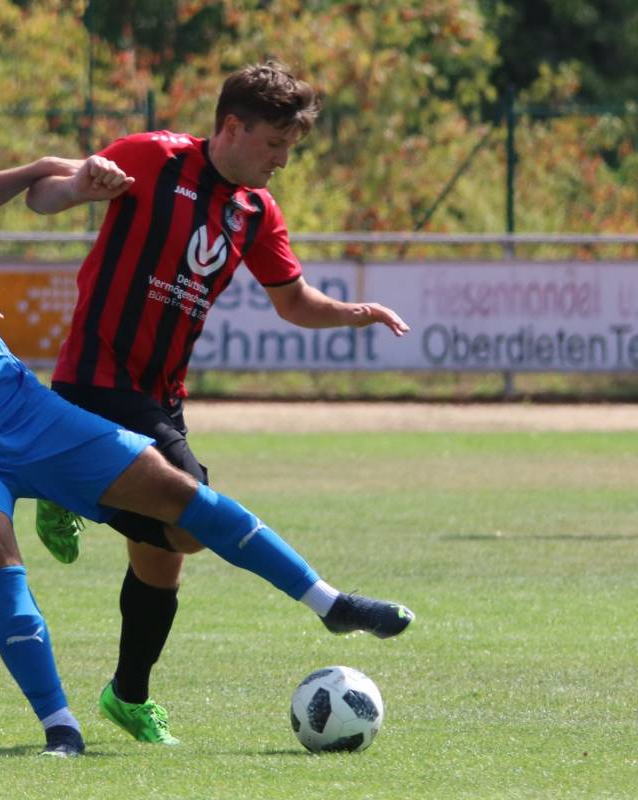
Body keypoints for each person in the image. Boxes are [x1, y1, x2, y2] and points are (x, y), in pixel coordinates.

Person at [0, 113, 412, 758]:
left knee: (182, 504)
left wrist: (41, 168)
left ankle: (330, 603)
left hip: (24, 410)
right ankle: (61, 727)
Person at [30, 60, 414, 746]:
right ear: (232, 127)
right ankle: (69, 484)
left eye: (289, 149)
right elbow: (46, 199)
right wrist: (83, 188)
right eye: (274, 145)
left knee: (164, 557)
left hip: (162, 396)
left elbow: (293, 301)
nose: (281, 161)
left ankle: (126, 694)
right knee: (187, 522)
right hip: (95, 378)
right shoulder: (152, 157)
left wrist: (355, 313)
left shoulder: (256, 210)